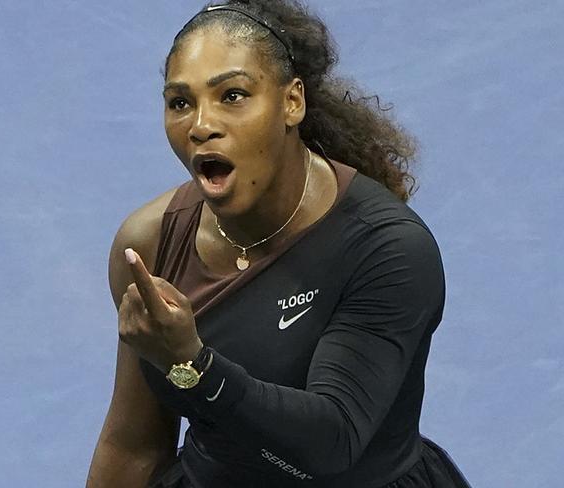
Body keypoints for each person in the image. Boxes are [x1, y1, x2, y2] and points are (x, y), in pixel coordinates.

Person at [86, 1, 473, 487]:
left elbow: (332, 443)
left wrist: (192, 366)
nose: (201, 124)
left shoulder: (388, 248)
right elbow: (134, 445)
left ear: (292, 102)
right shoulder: (150, 243)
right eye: (180, 102)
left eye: (232, 95)